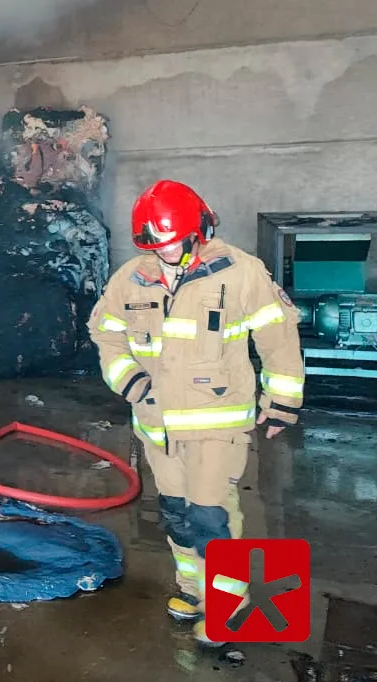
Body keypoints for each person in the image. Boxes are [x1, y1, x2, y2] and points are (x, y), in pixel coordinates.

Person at [88, 179, 305, 646]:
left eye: (173, 243)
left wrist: (282, 403)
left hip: (216, 424)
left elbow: (278, 339)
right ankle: (192, 589)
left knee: (211, 516)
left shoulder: (241, 273)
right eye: (156, 246)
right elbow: (105, 333)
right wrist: (130, 382)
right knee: (175, 513)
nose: (165, 254)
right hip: (156, 427)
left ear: (199, 230)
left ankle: (228, 603)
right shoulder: (131, 278)